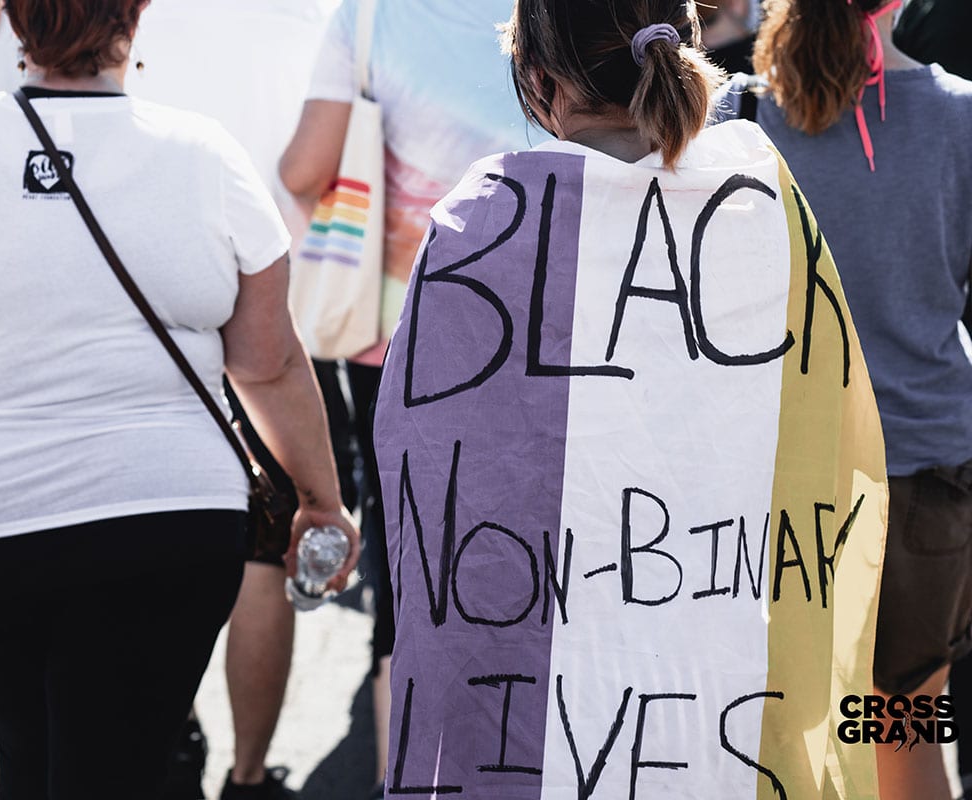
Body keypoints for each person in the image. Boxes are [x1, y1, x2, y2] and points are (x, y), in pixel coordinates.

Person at [0, 1, 359, 797]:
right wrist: (321, 499)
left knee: (32, 744)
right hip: (164, 526)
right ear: (137, 15)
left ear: (11, 17)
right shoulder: (204, 153)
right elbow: (270, 365)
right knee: (110, 759)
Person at [372, 0, 888, 798]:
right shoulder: (764, 208)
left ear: (538, 82)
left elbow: (430, 453)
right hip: (713, 664)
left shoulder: (481, 223)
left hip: (541, 663)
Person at [279, 4, 541, 795]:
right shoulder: (547, 16)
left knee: (404, 545)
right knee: (509, 542)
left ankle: (407, 760)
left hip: (394, 330)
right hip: (525, 331)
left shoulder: (369, 16)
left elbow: (302, 170)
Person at [714, 1, 972, 796]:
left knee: (786, 742)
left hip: (783, 480)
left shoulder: (741, 115)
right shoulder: (961, 117)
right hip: (926, 473)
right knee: (905, 733)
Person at [125, 5, 339, 797]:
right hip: (287, 298)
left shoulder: (139, 13)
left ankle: (170, 734)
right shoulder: (326, 11)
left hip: (149, 293)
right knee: (265, 540)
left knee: (155, 532)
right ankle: (249, 775)